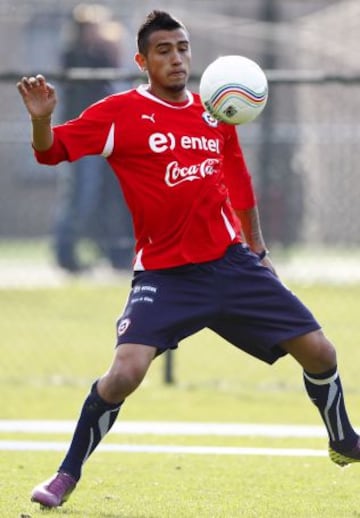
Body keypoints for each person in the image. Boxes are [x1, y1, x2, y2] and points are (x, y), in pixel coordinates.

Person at [17, 10, 360, 510]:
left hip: (231, 264)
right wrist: (43, 120)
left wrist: (258, 251)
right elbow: (51, 154)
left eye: (182, 48)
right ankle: (66, 474)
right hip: (165, 275)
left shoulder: (214, 113)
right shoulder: (119, 113)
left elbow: (239, 184)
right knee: (125, 374)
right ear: (142, 60)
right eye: (163, 50)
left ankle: (344, 439)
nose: (176, 58)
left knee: (322, 354)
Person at [54, 3, 133, 272]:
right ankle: (66, 256)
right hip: (83, 137)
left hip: (110, 135)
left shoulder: (104, 55)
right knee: (81, 196)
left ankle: (115, 253)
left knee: (113, 194)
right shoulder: (75, 54)